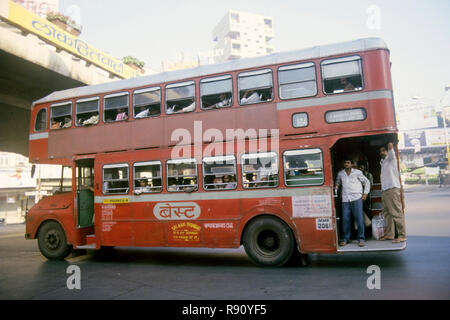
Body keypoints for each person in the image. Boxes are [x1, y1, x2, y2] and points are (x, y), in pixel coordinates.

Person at [335, 157, 370, 247]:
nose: (346, 164)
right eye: (345, 162)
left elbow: (366, 182)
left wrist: (365, 193)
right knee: (346, 219)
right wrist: (337, 186)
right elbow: (337, 182)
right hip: (345, 199)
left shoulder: (357, 172)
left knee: (359, 218)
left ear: (352, 164)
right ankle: (346, 238)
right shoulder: (341, 173)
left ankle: (361, 238)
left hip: (357, 198)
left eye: (348, 162)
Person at [379, 142, 406, 243]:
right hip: (385, 190)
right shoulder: (383, 162)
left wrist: (390, 146)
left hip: (392, 189)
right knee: (387, 213)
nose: (382, 152)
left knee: (396, 212)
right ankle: (390, 235)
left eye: (384, 150)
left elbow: (391, 151)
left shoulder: (391, 159)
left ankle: (402, 235)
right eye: (381, 151)